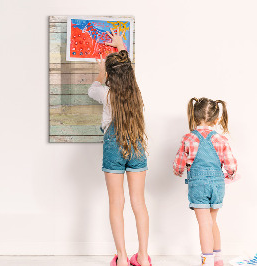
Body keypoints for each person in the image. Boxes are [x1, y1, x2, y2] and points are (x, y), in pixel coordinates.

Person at [88, 28, 152, 266]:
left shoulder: (105, 94)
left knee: (116, 203)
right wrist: (122, 46)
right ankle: (143, 258)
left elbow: (91, 88)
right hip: (136, 146)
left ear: (109, 76)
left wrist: (101, 70)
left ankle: (123, 259)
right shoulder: (136, 93)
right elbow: (128, 71)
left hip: (113, 147)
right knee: (139, 202)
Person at [173, 98, 238, 266]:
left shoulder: (188, 138)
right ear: (216, 120)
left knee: (204, 224)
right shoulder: (221, 139)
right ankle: (218, 260)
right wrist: (230, 176)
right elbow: (231, 165)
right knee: (212, 222)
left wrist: (178, 171)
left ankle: (207, 261)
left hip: (198, 186)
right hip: (217, 185)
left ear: (194, 117)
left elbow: (178, 164)